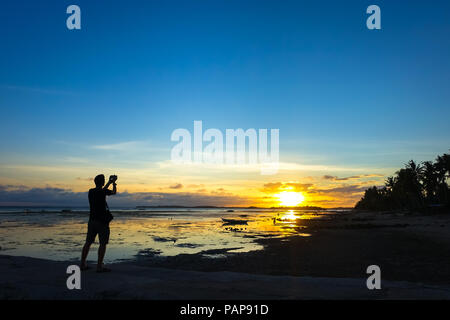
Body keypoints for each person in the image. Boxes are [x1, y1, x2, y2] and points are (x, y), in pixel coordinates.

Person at [80, 174, 117, 273]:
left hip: (92, 221)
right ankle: (99, 266)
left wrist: (111, 182)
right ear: (102, 182)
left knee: (88, 242)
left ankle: (83, 264)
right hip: (102, 222)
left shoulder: (91, 191)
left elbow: (106, 192)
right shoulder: (100, 191)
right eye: (104, 180)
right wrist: (112, 183)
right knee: (103, 244)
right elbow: (113, 192)